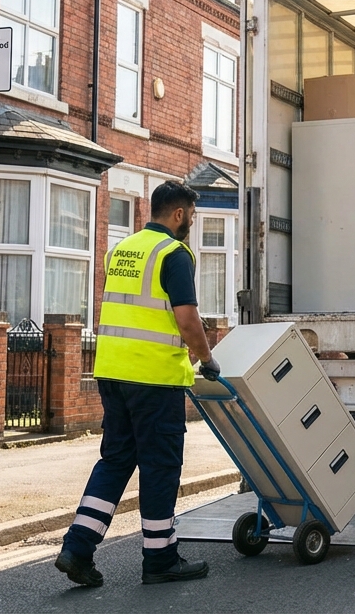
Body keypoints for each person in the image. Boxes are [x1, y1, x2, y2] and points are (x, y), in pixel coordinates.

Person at [55, 181, 222, 587]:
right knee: (160, 466)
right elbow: (187, 320)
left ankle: (78, 548)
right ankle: (160, 558)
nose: (191, 226)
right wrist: (206, 359)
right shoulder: (174, 254)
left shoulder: (122, 249)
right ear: (179, 214)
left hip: (112, 373)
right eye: (192, 217)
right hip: (154, 379)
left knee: (115, 460)